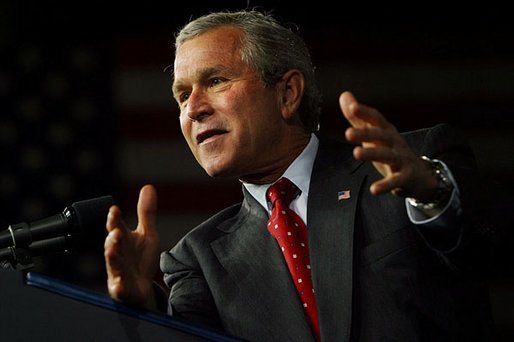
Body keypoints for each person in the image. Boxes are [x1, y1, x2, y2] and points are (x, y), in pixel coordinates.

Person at [103, 9, 498, 341]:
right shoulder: (198, 259)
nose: (194, 109)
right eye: (182, 95)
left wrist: (433, 194)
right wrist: (148, 310)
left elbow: (490, 248)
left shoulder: (406, 169)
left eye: (215, 81)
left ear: (287, 93)